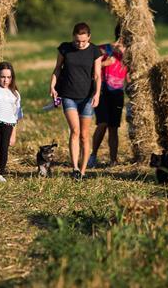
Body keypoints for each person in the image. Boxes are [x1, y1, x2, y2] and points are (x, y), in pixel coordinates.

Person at [50, 22, 102, 180]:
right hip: (68, 95)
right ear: (73, 37)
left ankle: (83, 171)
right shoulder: (65, 48)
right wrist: (52, 86)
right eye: (77, 40)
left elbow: (98, 75)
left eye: (83, 41)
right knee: (75, 131)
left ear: (89, 38)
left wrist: (97, 94)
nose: (80, 44)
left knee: (85, 135)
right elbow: (58, 68)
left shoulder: (95, 51)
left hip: (87, 97)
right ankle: (75, 168)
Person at [89, 36, 127, 168]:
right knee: (102, 123)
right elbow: (90, 66)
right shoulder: (103, 49)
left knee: (113, 128)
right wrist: (105, 63)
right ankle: (93, 156)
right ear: (121, 37)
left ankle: (113, 160)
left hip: (117, 93)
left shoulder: (129, 54)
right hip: (102, 91)